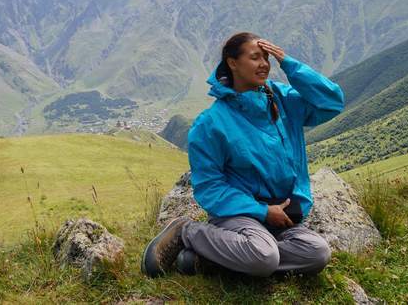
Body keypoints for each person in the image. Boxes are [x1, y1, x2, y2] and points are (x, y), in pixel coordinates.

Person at [141, 32, 345, 278]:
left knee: (317, 252)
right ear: (233, 63)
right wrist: (262, 211)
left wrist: (290, 64)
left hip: (283, 215)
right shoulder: (212, 123)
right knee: (265, 257)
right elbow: (209, 188)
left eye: (267, 58)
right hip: (239, 215)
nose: (265, 64)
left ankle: (214, 260)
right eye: (255, 57)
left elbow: (331, 103)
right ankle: (187, 231)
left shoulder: (283, 100)